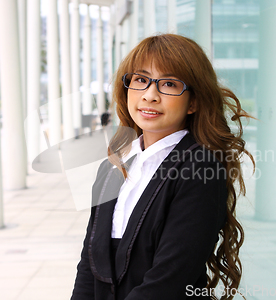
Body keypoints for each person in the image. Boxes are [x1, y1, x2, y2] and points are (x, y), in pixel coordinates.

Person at [71, 34, 254, 300]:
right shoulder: (112, 167)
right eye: (141, 80)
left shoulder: (200, 169)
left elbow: (169, 280)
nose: (150, 95)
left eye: (169, 84)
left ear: (194, 101)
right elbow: (89, 265)